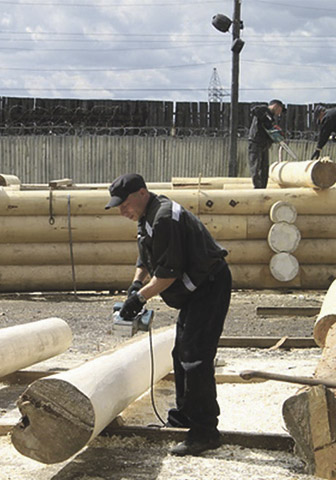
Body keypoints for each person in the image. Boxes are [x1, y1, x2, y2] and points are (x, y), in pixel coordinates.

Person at [105, 173, 232, 457]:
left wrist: (138, 300)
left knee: (195, 357)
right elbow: (146, 259)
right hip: (196, 289)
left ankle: (205, 432)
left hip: (209, 286)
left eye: (124, 204)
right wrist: (136, 284)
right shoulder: (147, 216)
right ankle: (186, 414)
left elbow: (167, 274)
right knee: (181, 352)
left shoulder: (164, 218)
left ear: (141, 193)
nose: (123, 211)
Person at [247, 99, 286, 189]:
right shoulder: (263, 111)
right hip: (256, 143)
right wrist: (266, 117)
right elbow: (255, 110)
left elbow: (269, 130)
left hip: (264, 144)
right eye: (279, 110)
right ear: (275, 106)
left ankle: (263, 187)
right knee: (256, 166)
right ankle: (257, 187)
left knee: (264, 168)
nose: (279, 113)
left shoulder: (271, 119)